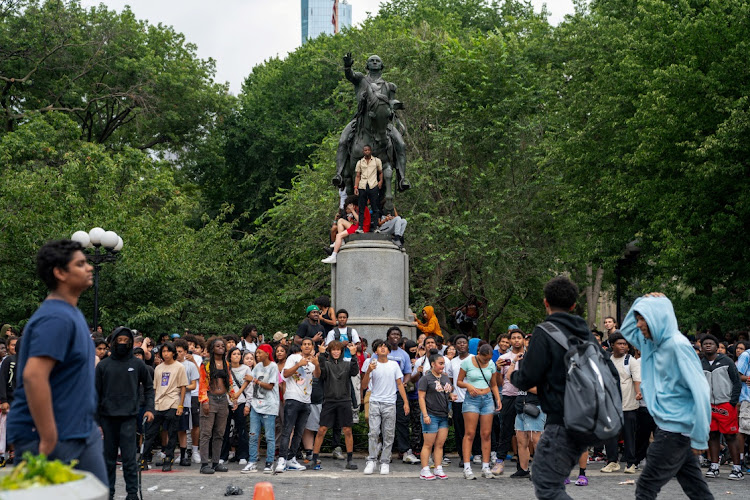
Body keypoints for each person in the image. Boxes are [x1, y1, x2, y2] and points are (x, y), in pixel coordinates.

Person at [6, 240, 106, 483]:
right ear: (60, 272)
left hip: (81, 432)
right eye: (80, 264)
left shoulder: (70, 312)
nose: (89, 267)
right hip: (51, 436)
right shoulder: (55, 317)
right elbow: (33, 376)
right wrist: (48, 437)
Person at [510, 275, 618, 499]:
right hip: (590, 419)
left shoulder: (544, 331)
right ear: (573, 305)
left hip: (562, 420)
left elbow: (527, 378)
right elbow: (612, 373)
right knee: (551, 479)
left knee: (546, 483)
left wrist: (513, 374)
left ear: (545, 302)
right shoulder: (585, 332)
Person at [621, 293, 714, 499]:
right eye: (638, 318)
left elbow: (701, 391)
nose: (637, 325)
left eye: (643, 318)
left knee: (645, 488)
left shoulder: (677, 345)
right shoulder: (651, 342)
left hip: (674, 431)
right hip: (673, 430)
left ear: (657, 317)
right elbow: (626, 328)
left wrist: (700, 437)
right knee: (697, 489)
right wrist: (642, 301)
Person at [95, 327, 154, 499]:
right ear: (113, 342)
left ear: (130, 342)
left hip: (129, 418)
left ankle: (132, 494)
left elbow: (149, 388)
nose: (122, 344)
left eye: (125, 341)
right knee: (108, 461)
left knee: (129, 460)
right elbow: (94, 394)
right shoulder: (103, 366)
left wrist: (150, 409)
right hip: (107, 419)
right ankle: (108, 493)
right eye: (119, 340)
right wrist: (95, 421)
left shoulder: (137, 364)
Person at [361, 339, 410, 475]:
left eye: (385, 347)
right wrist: (368, 371)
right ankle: (371, 460)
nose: (382, 349)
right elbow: (364, 385)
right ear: (376, 351)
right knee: (373, 432)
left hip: (390, 402)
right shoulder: (372, 364)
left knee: (388, 433)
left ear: (389, 351)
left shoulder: (394, 365)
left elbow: (399, 384)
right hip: (375, 401)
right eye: (380, 347)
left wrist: (405, 402)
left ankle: (384, 461)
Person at [700, 334, 743, 480]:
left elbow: (737, 382)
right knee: (712, 436)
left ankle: (737, 469)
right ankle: (714, 466)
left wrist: (732, 402)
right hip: (708, 406)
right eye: (705, 343)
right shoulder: (700, 363)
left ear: (717, 347)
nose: (707, 345)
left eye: (711, 343)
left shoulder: (727, 362)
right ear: (701, 347)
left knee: (730, 436)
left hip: (725, 404)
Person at [312, 341, 360, 470]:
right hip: (329, 401)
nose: (336, 352)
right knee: (322, 429)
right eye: (333, 350)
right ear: (330, 351)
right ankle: (314, 458)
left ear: (341, 351)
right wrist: (321, 355)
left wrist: (354, 356)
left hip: (344, 400)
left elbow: (355, 371)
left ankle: (350, 459)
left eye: (338, 350)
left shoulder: (347, 364)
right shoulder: (327, 364)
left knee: (347, 430)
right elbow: (321, 373)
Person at [139, 342, 187, 472]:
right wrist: (152, 404)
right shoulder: (158, 368)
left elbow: (183, 387)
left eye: (168, 351)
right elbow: (154, 388)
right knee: (150, 433)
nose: (166, 354)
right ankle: (143, 458)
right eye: (163, 351)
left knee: (172, 433)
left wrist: (180, 405)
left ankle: (169, 459)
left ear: (173, 353)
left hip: (173, 402)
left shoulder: (179, 367)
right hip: (158, 403)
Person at [457, 343, 501, 480]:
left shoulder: (491, 364)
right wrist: (468, 385)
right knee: (470, 433)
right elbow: (459, 381)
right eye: (484, 359)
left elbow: (493, 383)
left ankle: (486, 466)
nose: (486, 362)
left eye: (489, 359)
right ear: (479, 354)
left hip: (487, 398)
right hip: (472, 399)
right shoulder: (467, 363)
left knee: (486, 434)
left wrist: (498, 399)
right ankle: (467, 467)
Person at [600, 332, 642, 474]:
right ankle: (612, 462)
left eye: (625, 344)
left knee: (629, 435)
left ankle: (631, 463)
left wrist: (638, 392)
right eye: (620, 343)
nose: (623, 346)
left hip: (628, 405)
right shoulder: (607, 360)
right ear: (612, 345)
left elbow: (637, 380)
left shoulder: (631, 361)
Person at [277, 338, 320, 472]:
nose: (307, 346)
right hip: (292, 398)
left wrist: (317, 364)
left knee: (300, 432)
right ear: (301, 347)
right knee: (288, 430)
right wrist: (299, 365)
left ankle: (291, 459)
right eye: (304, 344)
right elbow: (285, 374)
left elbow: (317, 375)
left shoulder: (312, 361)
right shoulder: (293, 357)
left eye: (309, 344)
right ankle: (282, 459)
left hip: (306, 400)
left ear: (312, 347)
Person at [505, 351, 545, 479]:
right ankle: (523, 469)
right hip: (520, 409)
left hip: (535, 407)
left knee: (536, 440)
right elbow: (508, 376)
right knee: (521, 441)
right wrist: (513, 361)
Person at [242, 344, 279, 474]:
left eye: (259, 353)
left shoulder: (273, 367)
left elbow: (270, 386)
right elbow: (248, 380)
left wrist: (255, 381)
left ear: (267, 353)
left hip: (269, 406)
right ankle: (252, 462)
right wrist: (238, 393)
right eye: (256, 353)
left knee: (269, 437)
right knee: (253, 435)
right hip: (256, 406)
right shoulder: (257, 367)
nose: (257, 355)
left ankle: (269, 463)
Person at [418, 349, 454, 480]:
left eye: (443, 363)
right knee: (428, 444)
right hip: (431, 414)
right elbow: (421, 397)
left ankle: (438, 467)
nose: (442, 366)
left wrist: (451, 395)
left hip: (443, 415)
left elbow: (447, 392)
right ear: (433, 364)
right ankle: (425, 469)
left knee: (440, 444)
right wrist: (425, 414)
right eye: (440, 363)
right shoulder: (425, 379)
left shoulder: (445, 377)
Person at [493, 328, 525, 476]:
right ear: (510, 341)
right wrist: (499, 369)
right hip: (508, 396)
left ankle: (523, 465)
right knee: (505, 429)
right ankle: (500, 461)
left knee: (524, 432)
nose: (516, 340)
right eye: (514, 338)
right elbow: (500, 382)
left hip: (526, 397)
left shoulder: (530, 356)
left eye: (519, 337)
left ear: (523, 340)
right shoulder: (505, 357)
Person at [198, 337, 230, 474]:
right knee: (206, 433)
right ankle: (204, 464)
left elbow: (230, 382)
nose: (221, 347)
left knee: (219, 433)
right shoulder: (205, 364)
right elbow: (202, 383)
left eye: (223, 345)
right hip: (210, 399)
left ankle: (216, 462)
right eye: (218, 346)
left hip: (223, 400)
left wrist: (233, 398)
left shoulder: (226, 364)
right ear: (212, 348)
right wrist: (204, 401)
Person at [220, 346, 251, 465]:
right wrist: (232, 399)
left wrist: (248, 404)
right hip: (227, 402)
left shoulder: (246, 369)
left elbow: (249, 388)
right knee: (225, 430)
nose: (236, 356)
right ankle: (223, 455)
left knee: (242, 429)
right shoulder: (225, 368)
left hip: (242, 402)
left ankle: (242, 455)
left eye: (238, 354)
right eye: (234, 354)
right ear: (230, 356)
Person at [172, 339, 199, 466]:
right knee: (171, 428)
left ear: (185, 352)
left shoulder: (190, 366)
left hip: (185, 401)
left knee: (184, 428)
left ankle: (185, 455)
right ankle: (170, 454)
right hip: (170, 401)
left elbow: (194, 385)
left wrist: (182, 387)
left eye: (180, 351)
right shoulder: (169, 365)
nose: (177, 354)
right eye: (175, 351)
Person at [322, 197, 370, 265]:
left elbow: (360, 220)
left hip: (362, 229)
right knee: (340, 220)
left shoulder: (362, 208)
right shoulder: (359, 208)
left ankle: (334, 256)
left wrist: (352, 211)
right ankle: (341, 242)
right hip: (359, 226)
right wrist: (353, 221)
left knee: (339, 235)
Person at [353, 144, 382, 234]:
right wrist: (356, 187)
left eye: (368, 150)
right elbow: (357, 176)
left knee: (374, 206)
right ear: (363, 152)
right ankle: (360, 226)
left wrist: (380, 181)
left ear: (371, 151)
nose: (367, 152)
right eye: (365, 150)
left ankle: (376, 227)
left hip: (373, 184)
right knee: (361, 207)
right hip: (363, 185)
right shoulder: (360, 162)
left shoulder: (377, 161)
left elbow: (380, 172)